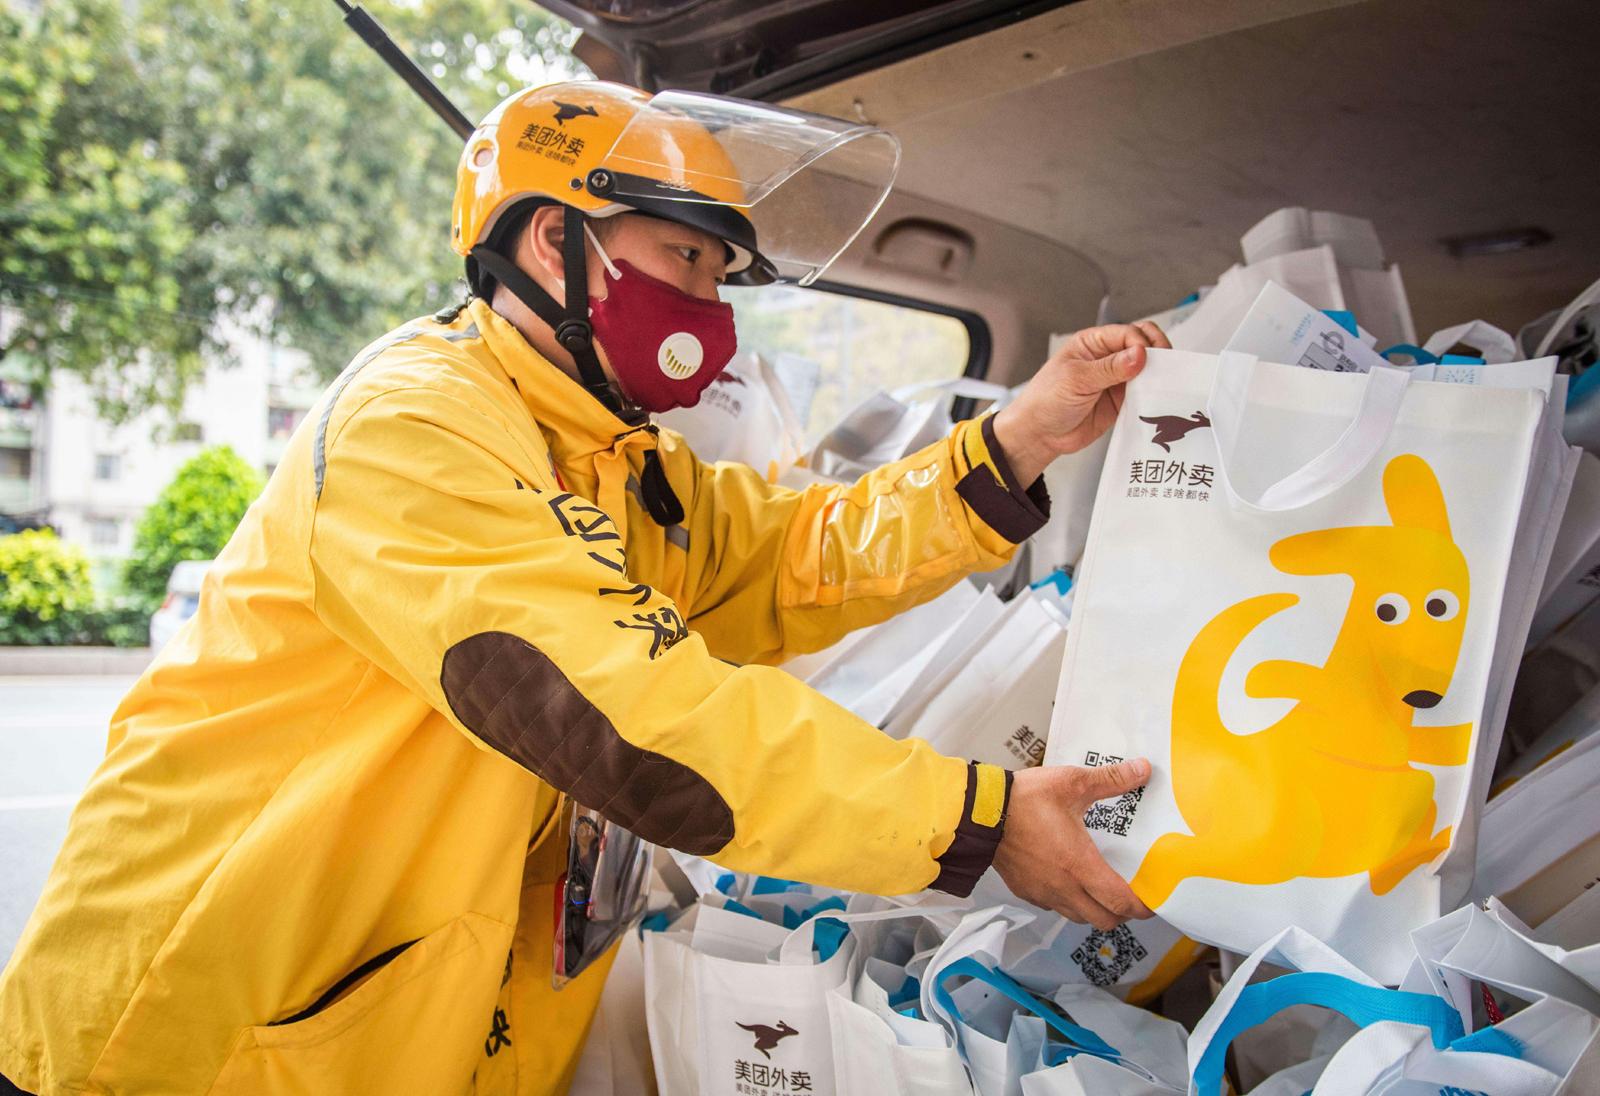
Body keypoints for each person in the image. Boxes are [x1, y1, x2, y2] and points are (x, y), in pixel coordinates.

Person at [0, 81, 1171, 1095]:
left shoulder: (618, 462)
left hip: (410, 1016)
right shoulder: (414, 428)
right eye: (685, 257)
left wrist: (1016, 439)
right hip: (214, 1024)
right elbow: (627, 712)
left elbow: (795, 549)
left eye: (721, 274)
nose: (710, 310)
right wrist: (975, 818)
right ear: (556, 245)